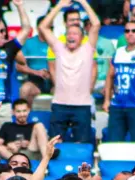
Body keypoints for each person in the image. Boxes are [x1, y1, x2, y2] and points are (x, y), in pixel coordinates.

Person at [40, 0, 100, 144]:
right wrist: (59, 6)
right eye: (69, 33)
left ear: (81, 37)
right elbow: (43, 27)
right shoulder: (59, 47)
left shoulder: (87, 48)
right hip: (60, 104)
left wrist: (84, 3)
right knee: (54, 144)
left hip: (82, 106)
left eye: (75, 34)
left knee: (82, 145)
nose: (71, 36)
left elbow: (96, 24)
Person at [18, 15, 52, 104]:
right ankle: (24, 116)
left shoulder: (57, 43)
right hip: (35, 81)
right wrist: (37, 72)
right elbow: (19, 66)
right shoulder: (29, 43)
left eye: (51, 27)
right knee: (25, 89)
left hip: (54, 81)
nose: (48, 29)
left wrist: (51, 73)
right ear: (38, 28)